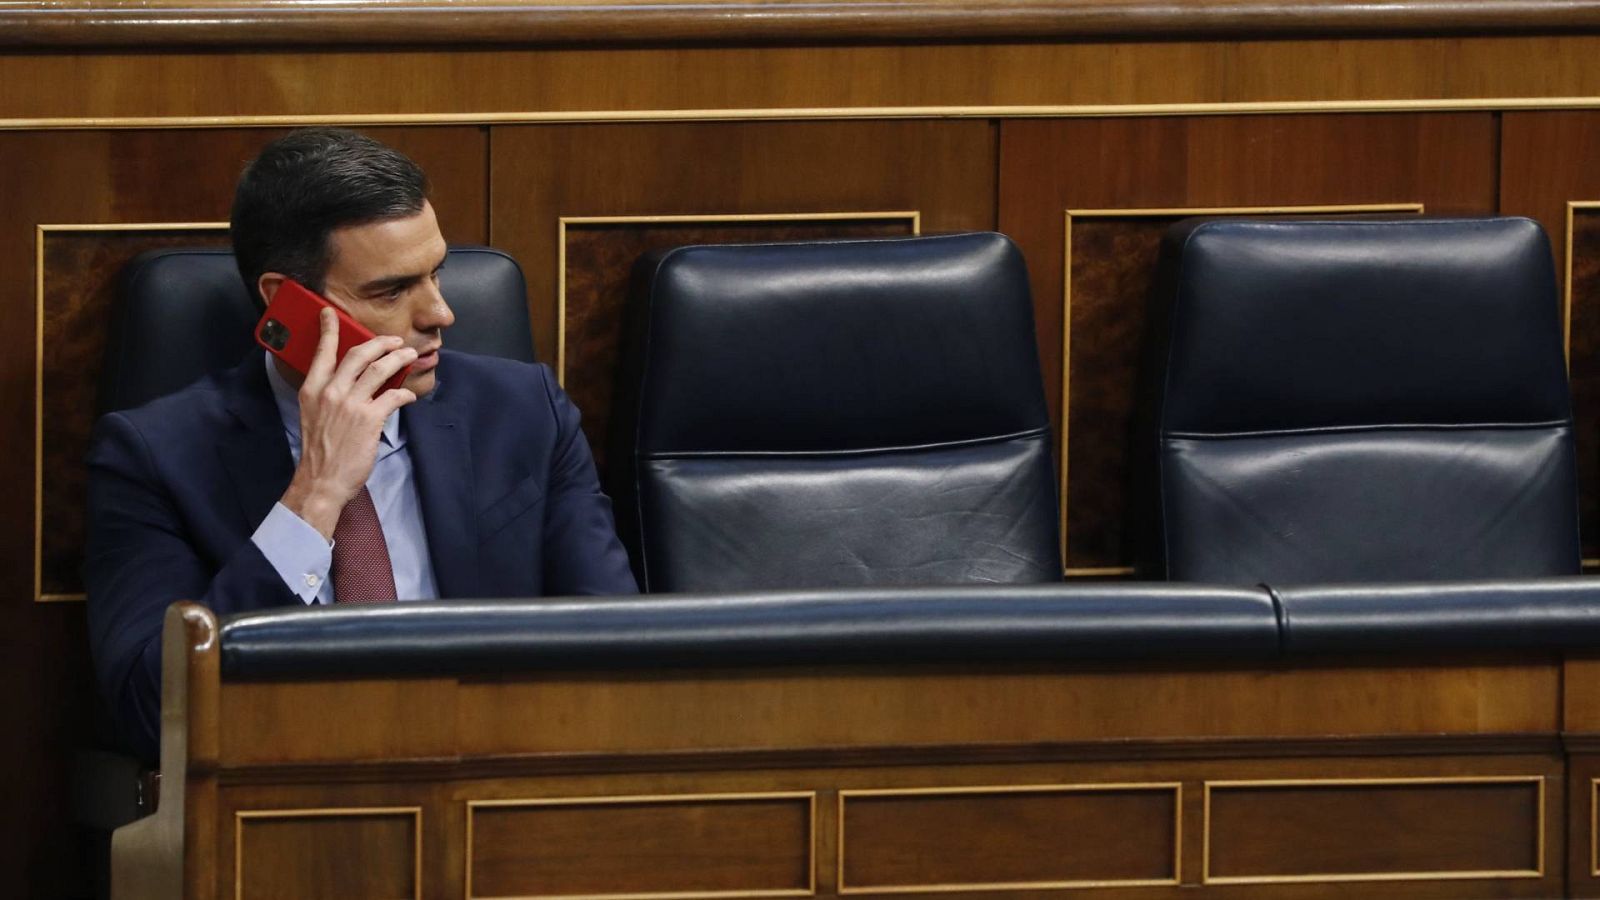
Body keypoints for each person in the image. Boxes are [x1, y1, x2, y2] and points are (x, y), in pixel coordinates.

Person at [85, 128, 637, 763]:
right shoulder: (152, 457)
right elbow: (153, 712)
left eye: (437, 274)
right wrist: (315, 496)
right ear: (285, 305)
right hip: (282, 810)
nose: (440, 314)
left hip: (498, 787)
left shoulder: (523, 414)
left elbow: (617, 654)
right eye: (392, 291)